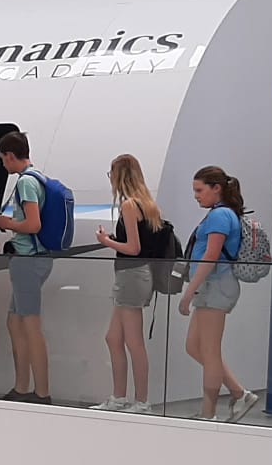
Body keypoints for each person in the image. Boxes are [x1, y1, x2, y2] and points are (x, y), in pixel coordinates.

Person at [177, 165, 260, 423]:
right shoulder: (220, 214)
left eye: (199, 190)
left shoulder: (220, 216)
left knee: (210, 350)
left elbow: (211, 256)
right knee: (194, 347)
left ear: (216, 188)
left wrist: (189, 292)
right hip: (211, 286)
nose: (196, 196)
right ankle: (239, 393)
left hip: (216, 286)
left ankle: (209, 412)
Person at [92, 155, 168, 414]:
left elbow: (133, 248)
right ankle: (120, 396)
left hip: (131, 275)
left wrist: (107, 241)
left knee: (134, 341)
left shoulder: (128, 205)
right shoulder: (147, 205)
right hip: (137, 274)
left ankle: (141, 400)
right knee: (113, 338)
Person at [0, 131, 53, 404]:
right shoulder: (39, 177)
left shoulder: (26, 182)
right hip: (34, 259)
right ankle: (22, 386)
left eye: (3, 159)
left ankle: (41, 392)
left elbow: (33, 224)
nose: (3, 164)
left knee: (30, 324)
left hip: (28, 260)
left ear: (10, 156)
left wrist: (7, 223)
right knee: (15, 322)